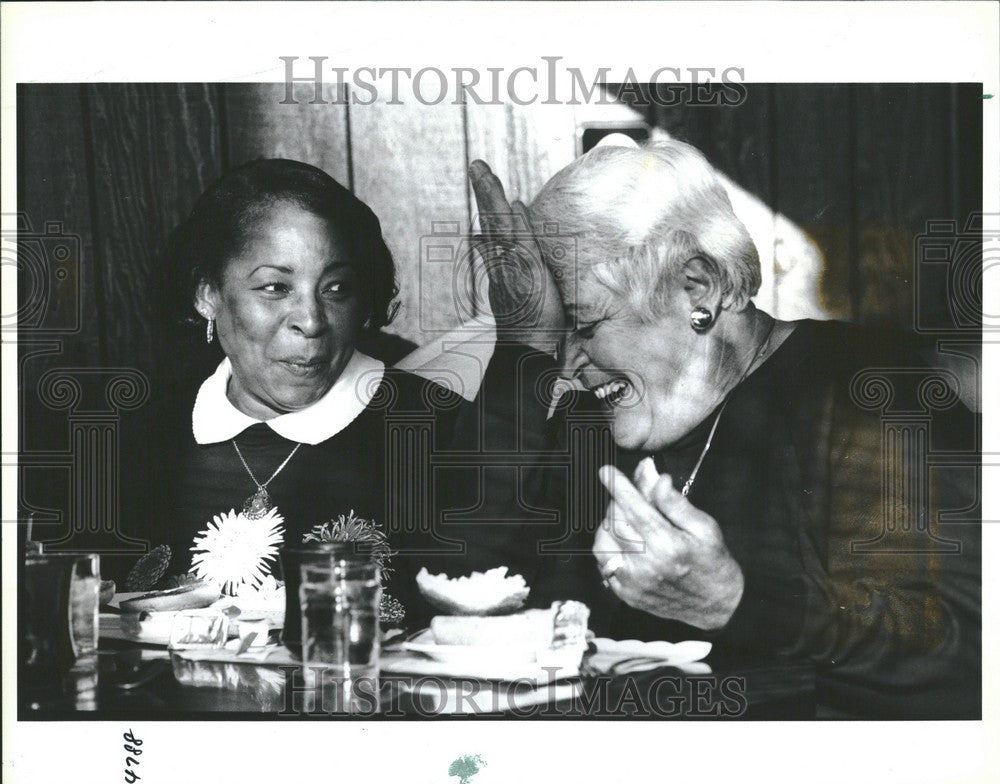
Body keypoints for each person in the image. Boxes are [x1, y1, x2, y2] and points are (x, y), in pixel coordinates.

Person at [467, 139, 980, 718]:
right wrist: (519, 349)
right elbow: (450, 588)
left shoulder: (868, 388)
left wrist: (734, 601)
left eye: (583, 327)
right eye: (553, 339)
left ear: (698, 288)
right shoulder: (587, 423)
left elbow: (958, 648)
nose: (567, 369)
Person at [110, 158, 596, 624]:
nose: (312, 321)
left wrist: (525, 343)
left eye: (336, 288)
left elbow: (478, 600)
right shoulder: (142, 434)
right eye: (276, 288)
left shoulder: (437, 429)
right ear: (207, 294)